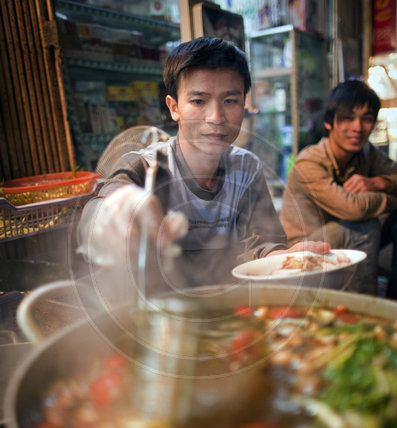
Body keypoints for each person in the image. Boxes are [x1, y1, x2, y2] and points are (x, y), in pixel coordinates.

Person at [77, 37, 328, 293]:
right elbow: (99, 210)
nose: (216, 117)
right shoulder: (145, 166)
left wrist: (285, 257)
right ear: (174, 107)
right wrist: (113, 213)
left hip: (230, 306)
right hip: (160, 312)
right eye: (199, 101)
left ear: (244, 104)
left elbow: (260, 243)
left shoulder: (246, 168)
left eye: (230, 101)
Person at [280, 79, 397, 296]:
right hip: (305, 248)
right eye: (348, 119)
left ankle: (393, 299)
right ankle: (363, 305)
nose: (358, 128)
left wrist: (381, 182)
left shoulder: (366, 153)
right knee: (364, 224)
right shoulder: (309, 161)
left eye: (367, 119)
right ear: (329, 122)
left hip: (342, 239)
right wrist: (389, 200)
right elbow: (353, 209)